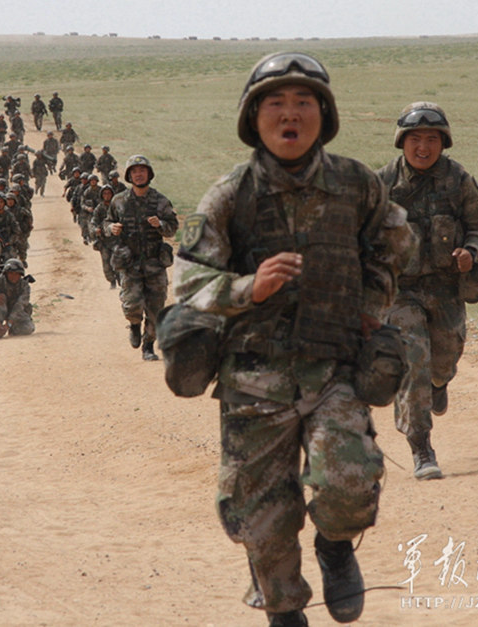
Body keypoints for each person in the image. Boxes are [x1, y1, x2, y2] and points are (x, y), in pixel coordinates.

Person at [172, 52, 415, 626]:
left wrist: (370, 303)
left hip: (335, 367)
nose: (290, 114)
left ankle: (334, 546)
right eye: (276, 103)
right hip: (253, 377)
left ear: (323, 115)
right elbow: (186, 278)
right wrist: (246, 288)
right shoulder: (230, 194)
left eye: (303, 102)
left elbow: (395, 243)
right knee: (262, 515)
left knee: (350, 479)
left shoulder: (357, 184)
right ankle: (283, 609)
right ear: (253, 117)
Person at [376, 101, 478, 481]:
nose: (423, 147)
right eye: (415, 139)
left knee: (442, 358)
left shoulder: (458, 180)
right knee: (413, 359)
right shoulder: (381, 184)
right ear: (402, 142)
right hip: (400, 292)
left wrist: (472, 251)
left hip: (446, 286)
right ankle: (421, 448)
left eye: (432, 139)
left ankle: (439, 381)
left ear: (443, 144)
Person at [107, 155, 178, 361]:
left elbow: (173, 227)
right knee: (132, 305)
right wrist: (111, 227)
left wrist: (161, 225)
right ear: (129, 176)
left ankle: (148, 346)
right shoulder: (119, 201)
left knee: (156, 309)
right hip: (129, 264)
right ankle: (135, 324)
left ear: (149, 174)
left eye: (142, 171)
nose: (139, 175)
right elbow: (106, 222)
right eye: (134, 171)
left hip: (155, 264)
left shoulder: (160, 201)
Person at [0, 258, 35, 338]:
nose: (13, 276)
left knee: (27, 329)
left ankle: (12, 328)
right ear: (6, 273)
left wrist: (8, 325)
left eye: (16, 274)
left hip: (16, 313)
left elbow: (19, 306)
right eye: (11, 273)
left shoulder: (24, 286)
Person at [91, 185, 119, 288]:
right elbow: (94, 221)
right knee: (106, 263)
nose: (107, 195)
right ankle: (112, 281)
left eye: (109, 193)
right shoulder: (99, 208)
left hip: (117, 239)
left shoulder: (117, 206)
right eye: (105, 193)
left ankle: (121, 279)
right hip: (104, 240)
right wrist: (96, 229)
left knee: (119, 260)